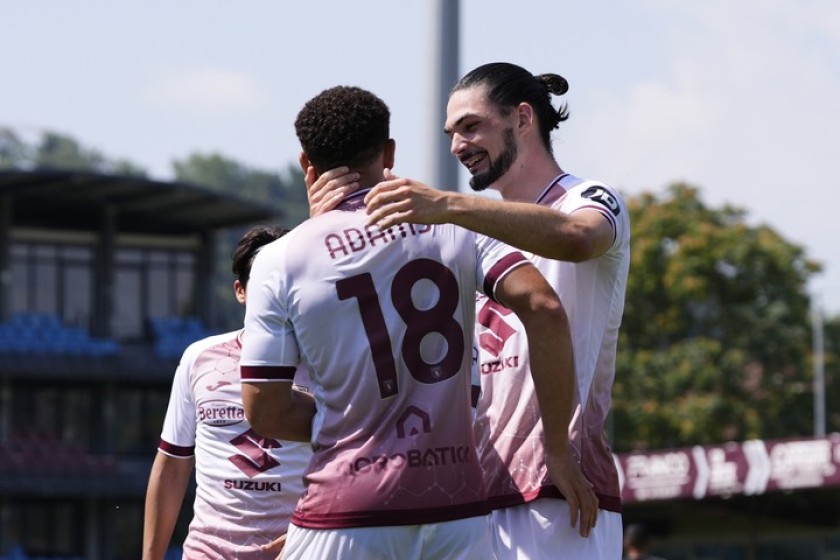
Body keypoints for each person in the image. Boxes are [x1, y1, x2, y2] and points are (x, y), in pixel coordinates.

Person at [239, 85, 597, 560]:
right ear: (389, 153)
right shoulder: (458, 229)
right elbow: (545, 308)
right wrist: (556, 448)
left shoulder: (281, 258)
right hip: (458, 511)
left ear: (307, 164)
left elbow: (265, 410)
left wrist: (351, 421)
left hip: (345, 513)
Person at [355, 61, 631, 559]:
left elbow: (578, 238)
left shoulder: (587, 199)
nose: (458, 145)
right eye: (451, 133)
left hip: (560, 492)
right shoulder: (467, 233)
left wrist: (449, 206)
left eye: (471, 126)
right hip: (472, 496)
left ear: (522, 119)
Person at [142, 225, 312, 560]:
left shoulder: (332, 363)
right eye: (265, 285)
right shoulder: (199, 357)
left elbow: (358, 462)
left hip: (299, 552)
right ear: (241, 291)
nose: (277, 295)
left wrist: (312, 528)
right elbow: (172, 465)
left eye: (287, 283)